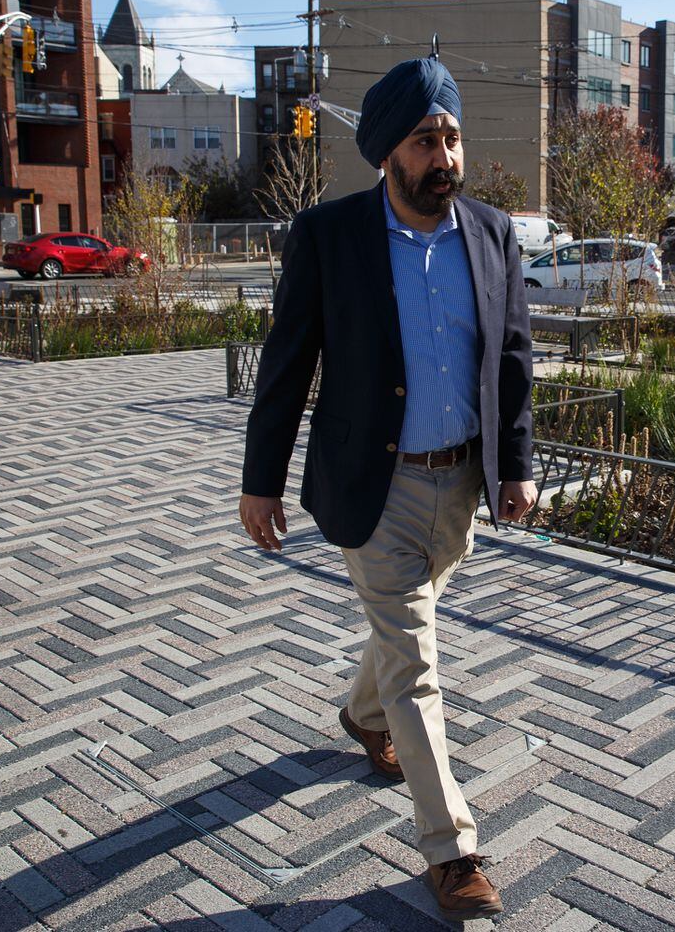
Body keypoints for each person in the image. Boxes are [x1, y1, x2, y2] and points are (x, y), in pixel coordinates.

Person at [238, 55, 536, 921]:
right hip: (376, 484)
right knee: (418, 663)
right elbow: (288, 365)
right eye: (424, 140)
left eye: (451, 137)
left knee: (404, 635)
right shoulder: (330, 237)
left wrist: (513, 465)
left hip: (460, 486)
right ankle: (453, 851)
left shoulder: (491, 231)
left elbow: (512, 359)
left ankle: (362, 716)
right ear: (386, 155)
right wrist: (261, 482)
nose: (444, 155)